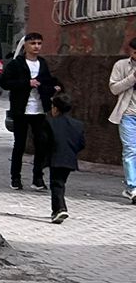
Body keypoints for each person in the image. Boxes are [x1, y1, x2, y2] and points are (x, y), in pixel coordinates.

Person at [1, 33, 57, 191]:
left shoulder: (42, 63)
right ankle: (15, 178)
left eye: (39, 43)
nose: (36, 46)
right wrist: (27, 83)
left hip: (39, 110)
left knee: (41, 144)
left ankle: (38, 178)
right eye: (33, 43)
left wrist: (54, 86)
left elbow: (47, 80)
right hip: (21, 110)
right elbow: (4, 82)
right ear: (25, 45)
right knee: (19, 144)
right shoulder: (16, 64)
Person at [46, 93, 85, 224]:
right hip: (70, 158)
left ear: (55, 108)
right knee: (60, 183)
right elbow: (81, 143)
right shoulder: (78, 125)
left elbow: (44, 141)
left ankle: (60, 209)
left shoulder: (50, 122)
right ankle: (57, 210)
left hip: (56, 157)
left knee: (56, 184)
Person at [111, 34, 136, 205]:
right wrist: (133, 77)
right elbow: (114, 88)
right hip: (128, 114)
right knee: (130, 150)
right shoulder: (121, 66)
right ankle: (132, 187)